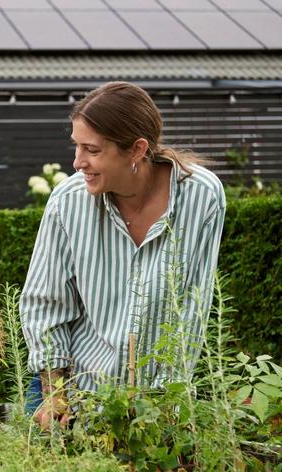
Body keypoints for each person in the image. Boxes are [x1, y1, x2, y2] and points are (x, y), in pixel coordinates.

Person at [20, 82, 226, 429]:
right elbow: (45, 304)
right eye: (77, 146)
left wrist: (165, 410)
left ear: (136, 149)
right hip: (71, 391)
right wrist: (56, 397)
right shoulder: (68, 202)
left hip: (157, 404)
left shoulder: (201, 197)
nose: (78, 162)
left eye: (93, 150)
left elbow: (191, 308)